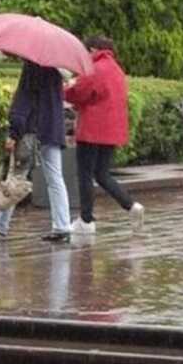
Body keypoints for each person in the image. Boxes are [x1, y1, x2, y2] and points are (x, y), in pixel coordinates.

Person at [0, 61, 73, 242]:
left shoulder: (33, 65)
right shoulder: (57, 68)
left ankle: (1, 224)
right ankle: (62, 226)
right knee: (55, 178)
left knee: (16, 177)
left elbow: (24, 101)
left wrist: (13, 133)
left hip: (32, 130)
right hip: (52, 129)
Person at [64, 36, 144, 236]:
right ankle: (131, 205)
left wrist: (66, 88)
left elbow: (80, 93)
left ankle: (86, 220)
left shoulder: (94, 68)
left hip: (92, 130)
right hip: (111, 131)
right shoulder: (116, 69)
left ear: (92, 49)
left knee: (84, 174)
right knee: (102, 174)